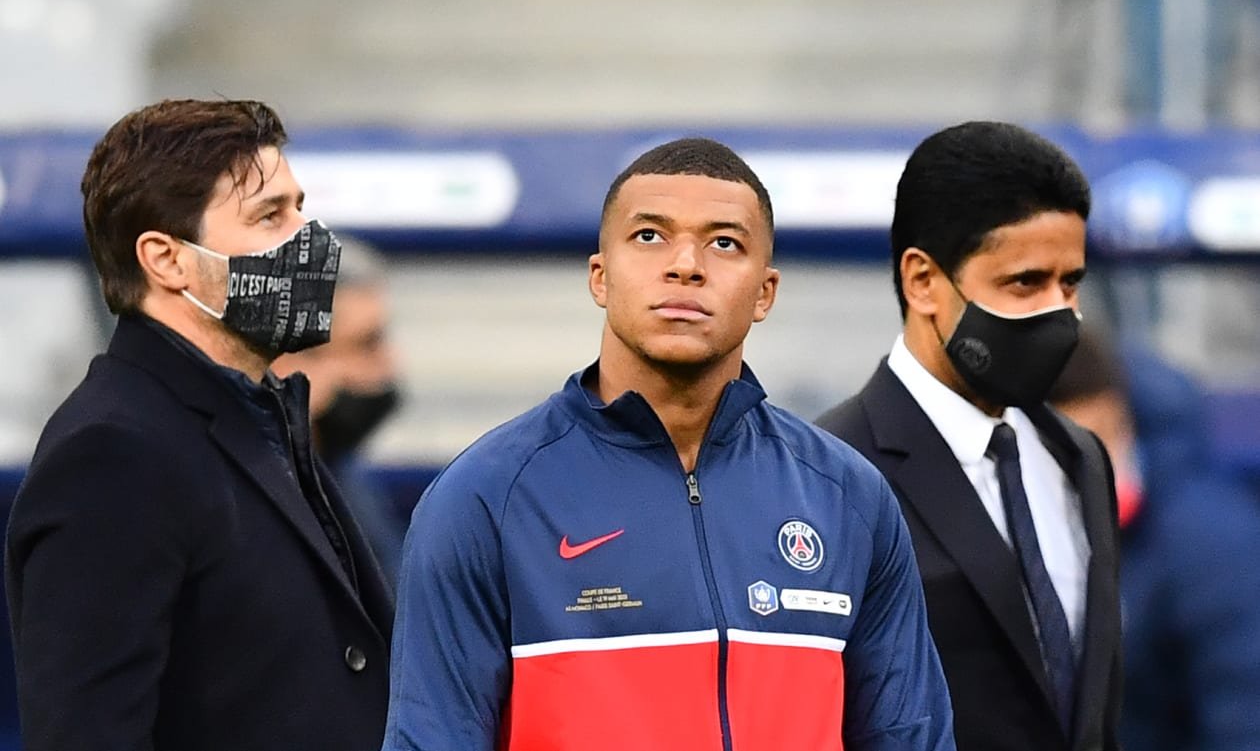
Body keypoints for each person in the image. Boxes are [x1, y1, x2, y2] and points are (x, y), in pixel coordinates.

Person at [381, 137, 955, 751]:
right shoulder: (483, 498)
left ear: (765, 292)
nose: (686, 265)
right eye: (650, 236)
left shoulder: (848, 496)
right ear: (600, 277)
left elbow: (910, 737)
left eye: (724, 243)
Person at [5, 99, 395, 751]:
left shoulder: (266, 415)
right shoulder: (112, 453)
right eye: (270, 215)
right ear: (166, 259)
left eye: (300, 208)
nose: (309, 239)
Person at [816, 121, 1123, 751]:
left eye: (1070, 283)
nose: (1059, 312)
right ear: (923, 281)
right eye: (1025, 283)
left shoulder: (1078, 458)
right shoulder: (830, 473)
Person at [1049, 329, 1260, 751]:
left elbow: (1243, 715)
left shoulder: (1210, 542)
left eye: (1103, 435)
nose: (1092, 466)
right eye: (1063, 452)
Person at [273, 236, 408, 582]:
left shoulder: (337, 473)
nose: (389, 364)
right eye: (367, 344)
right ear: (285, 362)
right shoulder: (259, 509)